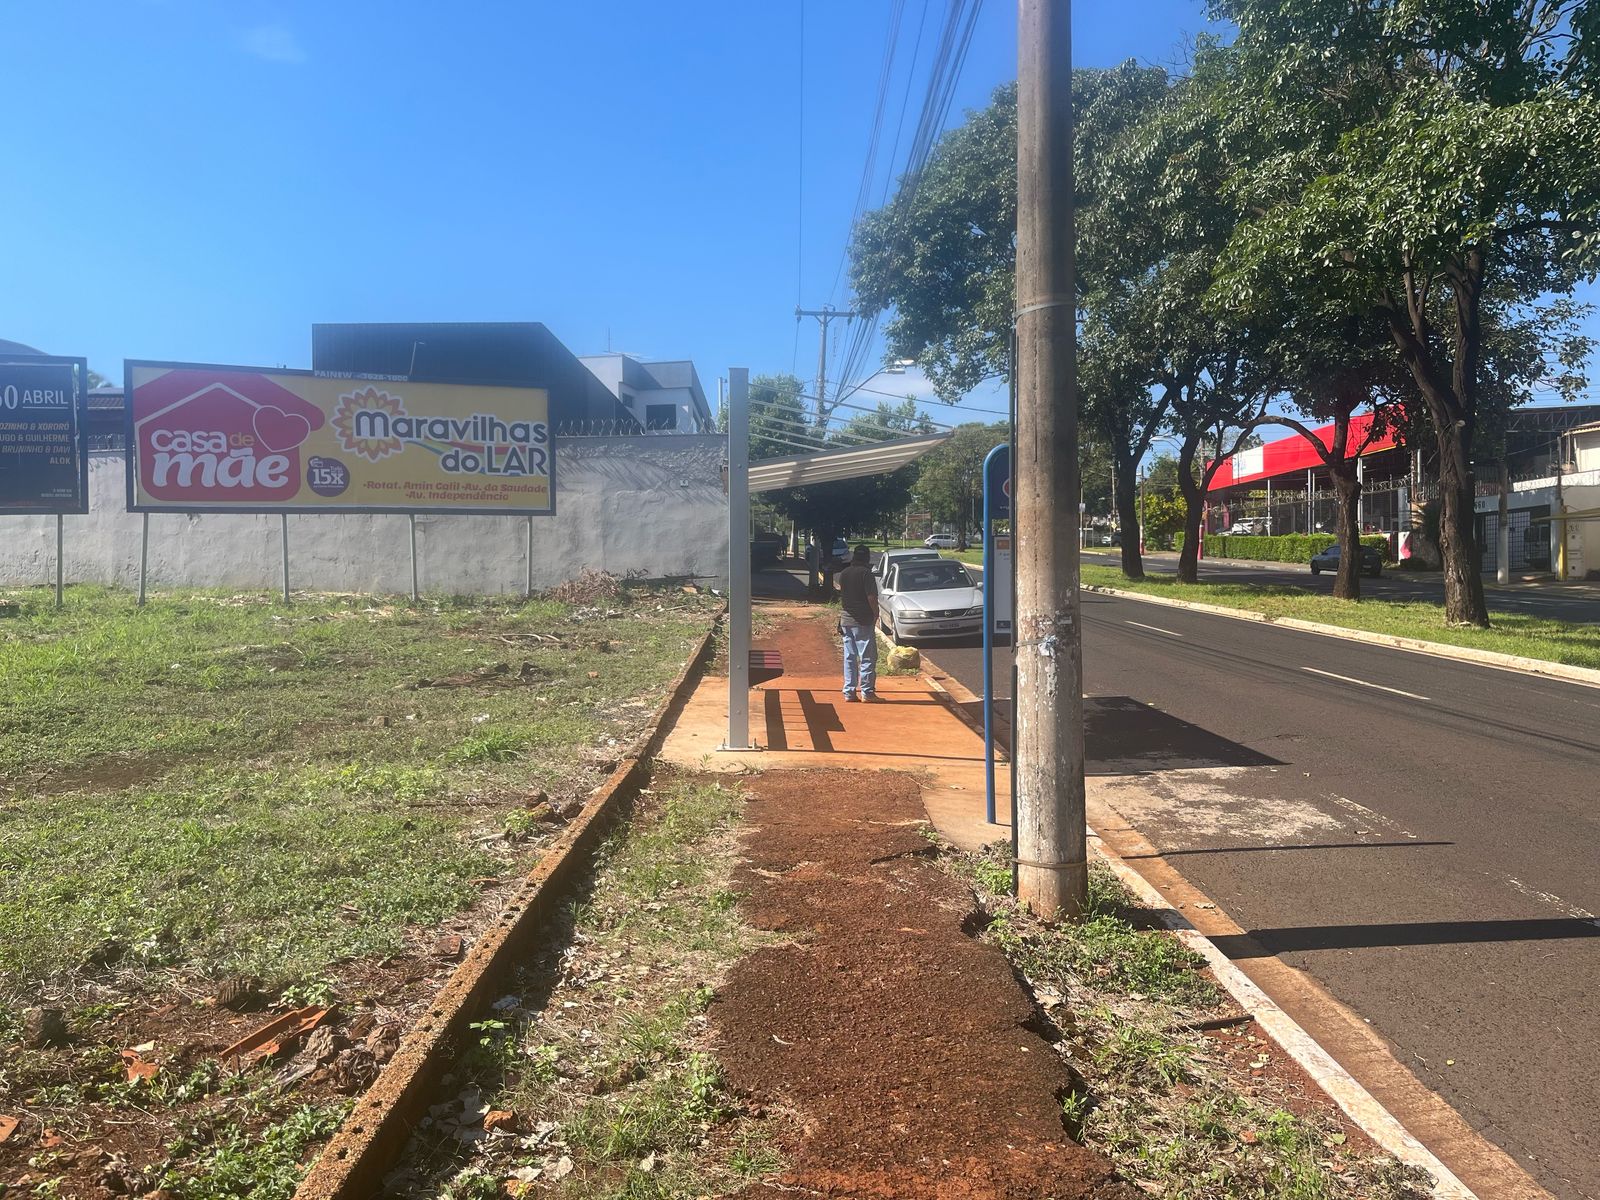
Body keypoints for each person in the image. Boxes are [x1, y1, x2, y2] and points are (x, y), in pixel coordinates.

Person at [836, 544, 880, 702]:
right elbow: (871, 598)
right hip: (863, 620)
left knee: (850, 656)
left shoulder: (845, 572)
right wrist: (876, 613)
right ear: (867, 557)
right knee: (867, 657)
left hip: (846, 619)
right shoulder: (866, 574)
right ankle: (867, 692)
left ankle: (849, 692)